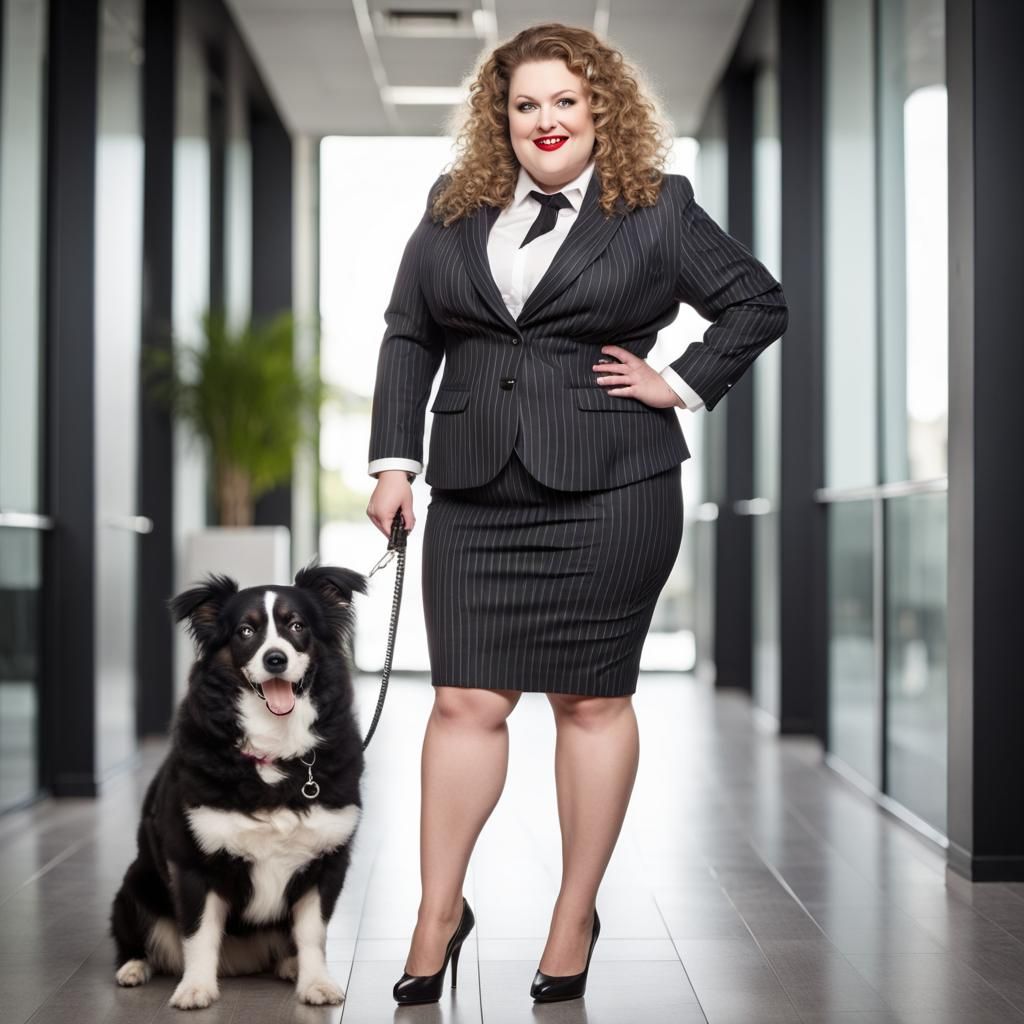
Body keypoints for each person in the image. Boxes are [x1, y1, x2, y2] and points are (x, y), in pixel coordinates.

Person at [365, 22, 787, 1006]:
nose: (545, 120)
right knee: (465, 700)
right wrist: (394, 460)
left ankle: (572, 913)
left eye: (565, 100)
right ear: (498, 118)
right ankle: (438, 910)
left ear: (600, 107)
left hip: (611, 486)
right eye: (525, 104)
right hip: (473, 490)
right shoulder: (454, 206)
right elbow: (407, 331)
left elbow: (755, 303)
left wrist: (676, 379)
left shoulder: (656, 207)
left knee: (589, 702)